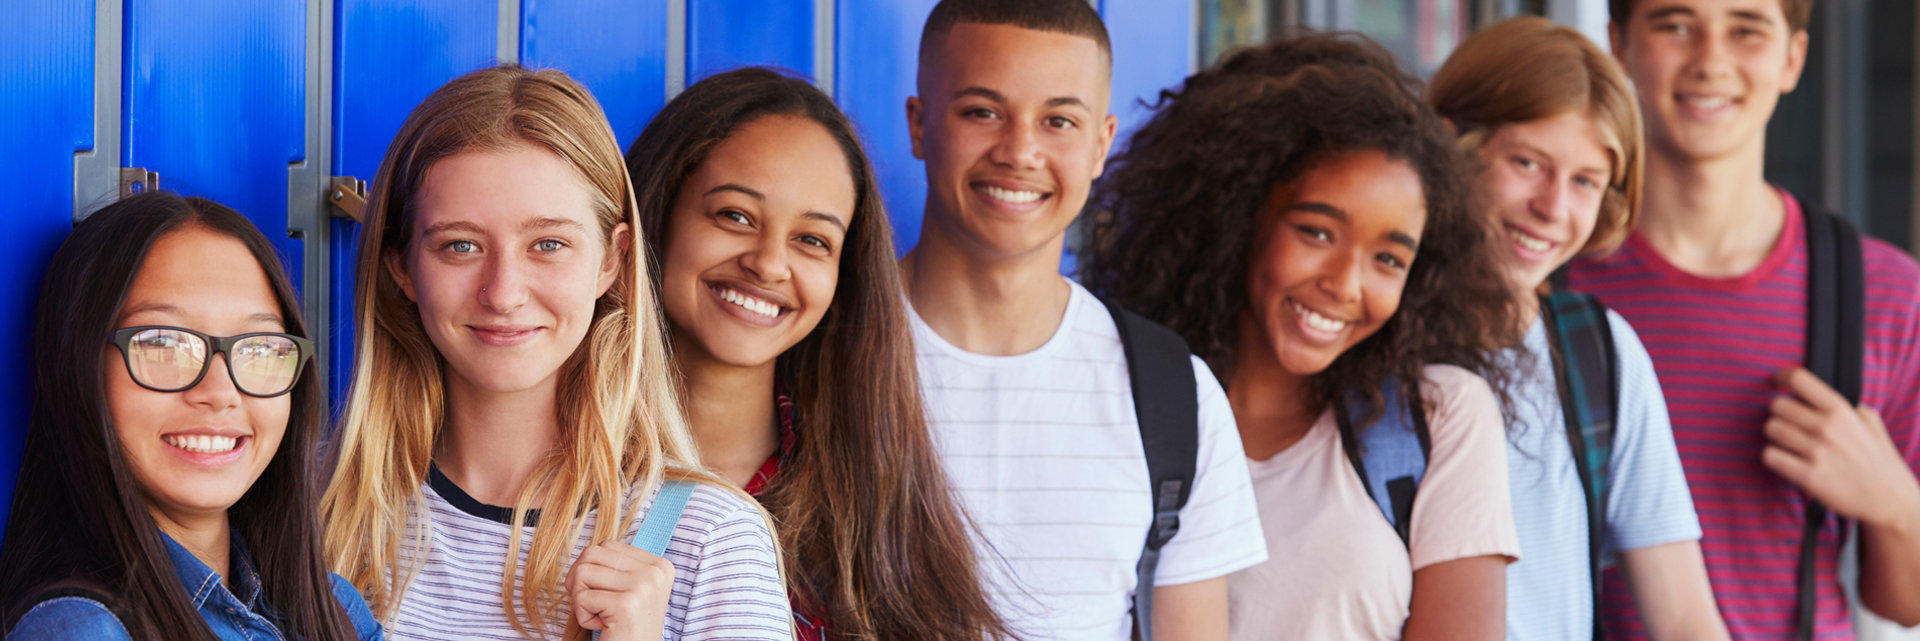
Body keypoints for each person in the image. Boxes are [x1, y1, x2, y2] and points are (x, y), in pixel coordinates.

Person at [319, 64, 792, 640]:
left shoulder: (711, 540)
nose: (503, 293)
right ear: (402, 267)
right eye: (460, 245)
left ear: (611, 260)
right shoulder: (317, 507)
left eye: (548, 244)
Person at [1081, 33, 1524, 641]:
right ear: (1241, 215)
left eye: (1388, 260)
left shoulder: (1437, 418)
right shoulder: (1126, 403)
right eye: (1317, 233)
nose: (1345, 283)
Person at [900, 0, 1268, 638]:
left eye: (1059, 121)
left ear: (1102, 144)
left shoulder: (1174, 396)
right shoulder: (817, 348)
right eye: (982, 112)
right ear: (918, 123)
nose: (1020, 151)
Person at [1566, 0, 1920, 637]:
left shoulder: (1884, 294)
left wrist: (1895, 508)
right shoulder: (1554, 277)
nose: (1711, 61)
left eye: (1746, 29)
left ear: (1792, 59)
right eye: (1675, 25)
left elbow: (1906, 602)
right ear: (1618, 43)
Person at [625, 66, 1011, 640]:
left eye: (812, 240)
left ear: (842, 276)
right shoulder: (540, 466)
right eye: (734, 215)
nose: (769, 263)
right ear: (659, 211)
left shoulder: (875, 515)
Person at [1428, 16, 1730, 641]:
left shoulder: (1598, 351)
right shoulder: (1365, 334)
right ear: (1451, 147)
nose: (1553, 207)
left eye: (1586, 181)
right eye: (1528, 163)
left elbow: (1683, 619)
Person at [0, 192, 382, 640]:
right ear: (79, 367)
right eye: (163, 344)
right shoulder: (86, 630)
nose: (221, 393)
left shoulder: (334, 607)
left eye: (259, 346)